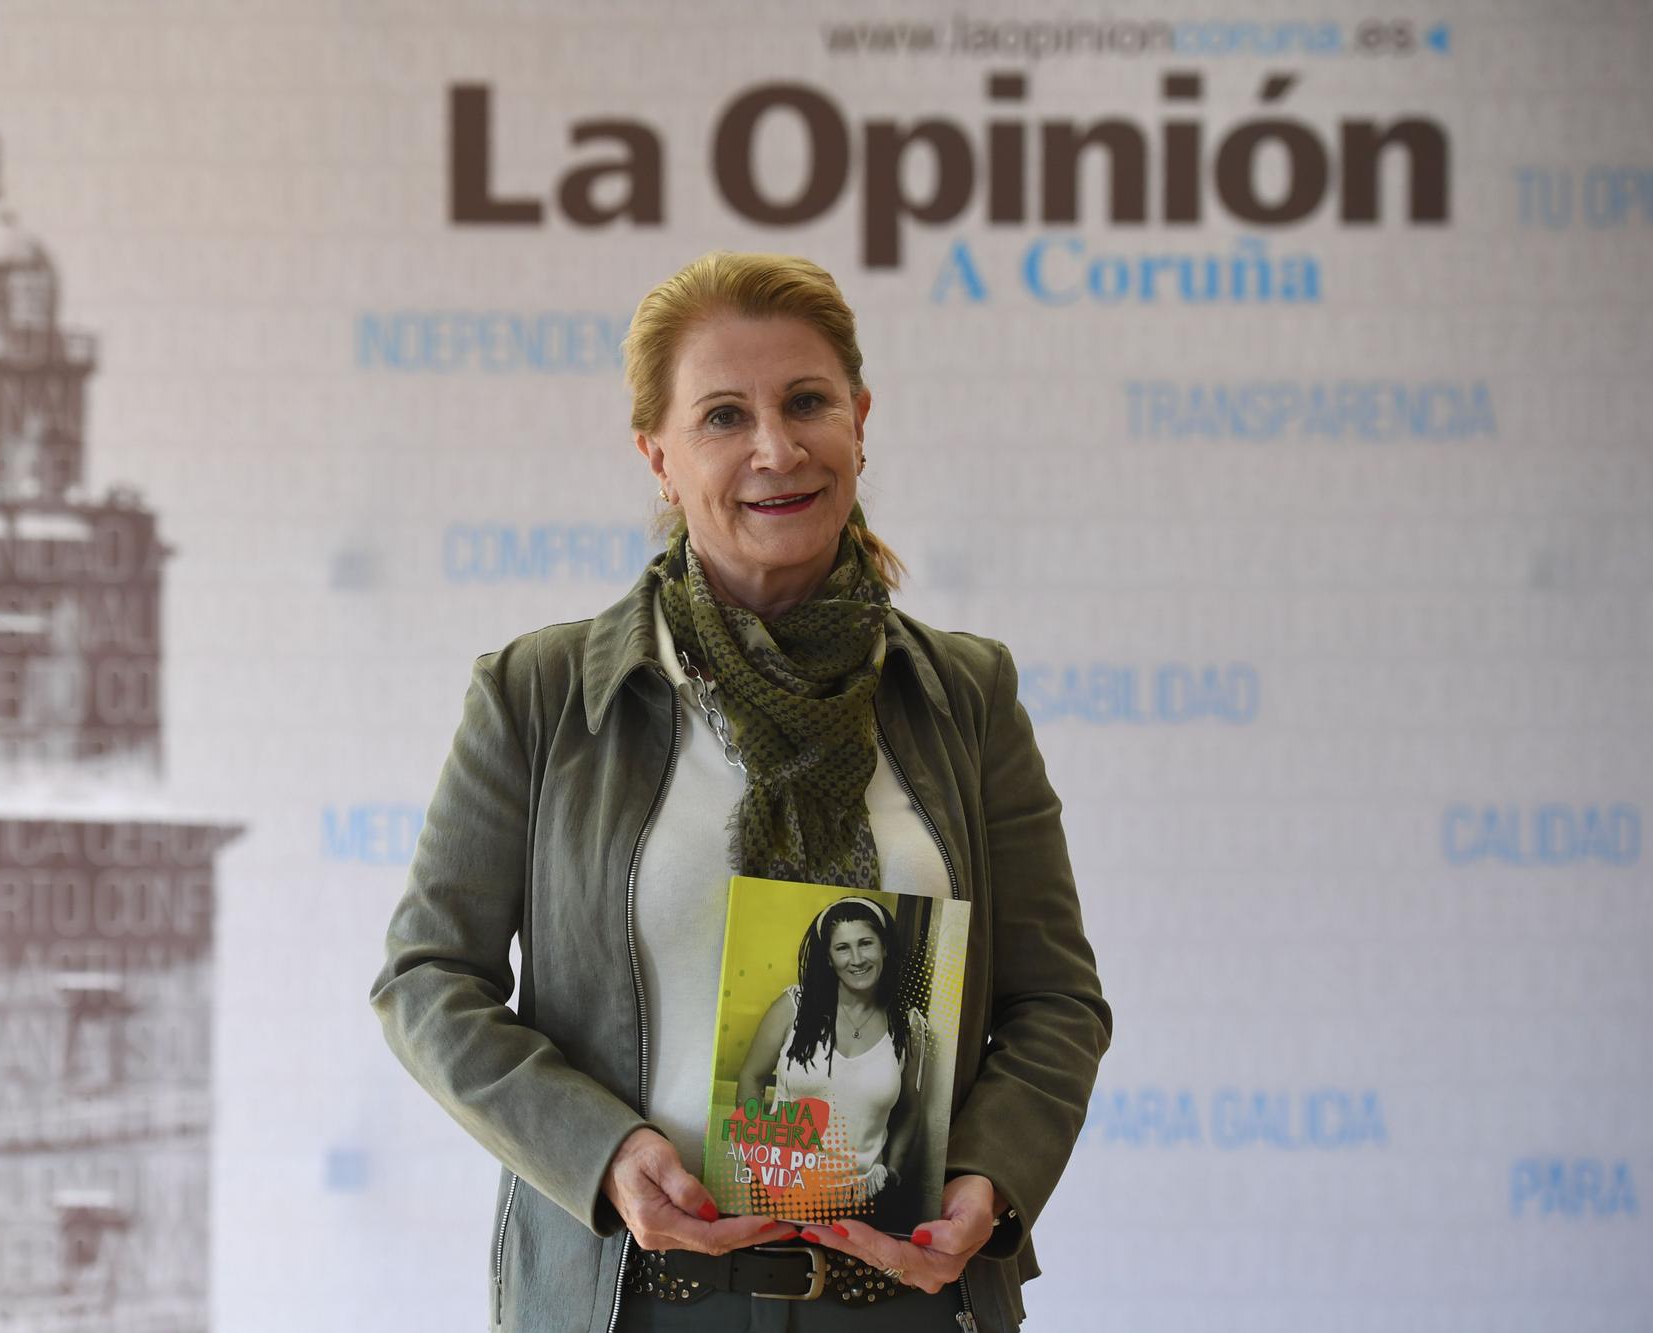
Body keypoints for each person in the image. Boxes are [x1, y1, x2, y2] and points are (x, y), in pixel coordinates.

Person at [371, 251, 1111, 1333]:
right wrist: (602, 1151)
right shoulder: (539, 696)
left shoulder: (965, 695)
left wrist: (988, 1182)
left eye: (805, 401)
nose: (775, 448)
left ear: (858, 418)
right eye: (723, 415)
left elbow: (1054, 1003)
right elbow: (428, 978)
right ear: (657, 457)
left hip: (906, 1297)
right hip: (632, 1295)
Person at [735, 896, 930, 1234]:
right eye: (843, 948)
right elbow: (752, 1076)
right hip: (781, 1193)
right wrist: (757, 1156)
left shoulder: (909, 1027)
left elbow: (911, 1108)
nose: (857, 959)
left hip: (861, 1207)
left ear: (884, 948)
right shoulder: (792, 1007)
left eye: (866, 944)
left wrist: (893, 1170)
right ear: (828, 958)